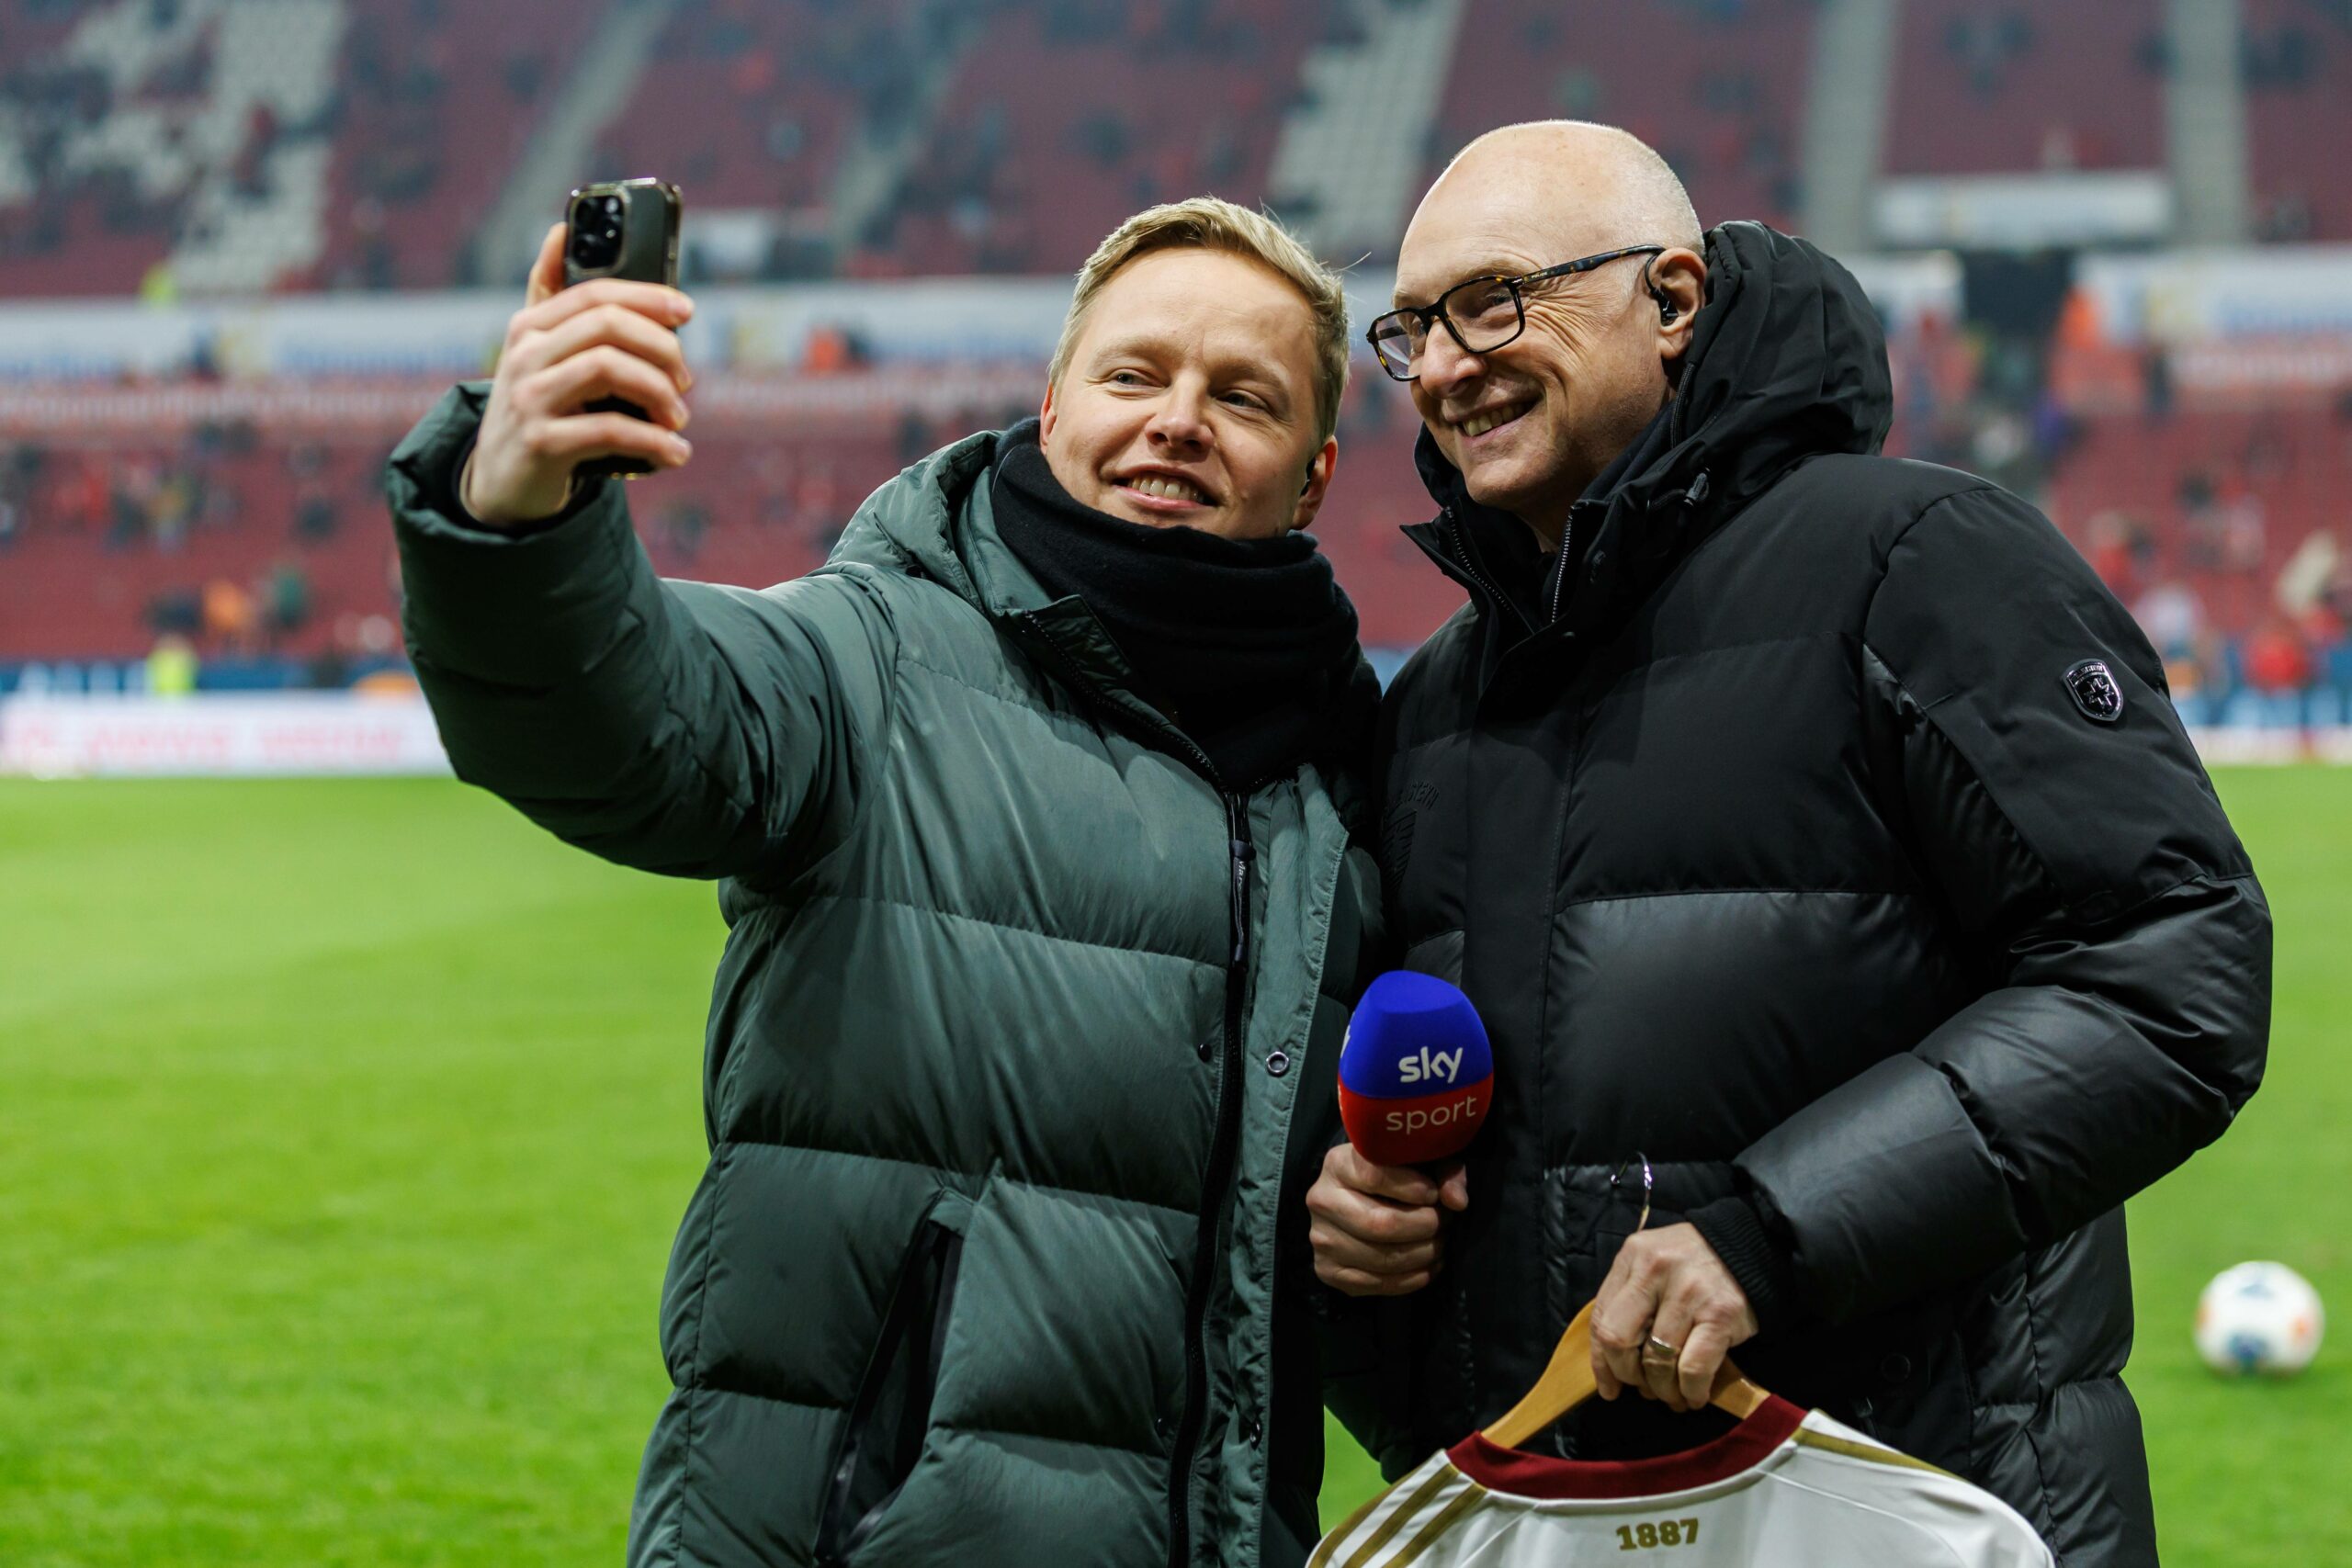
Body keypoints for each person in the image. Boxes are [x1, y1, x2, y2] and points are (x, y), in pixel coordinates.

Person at [1305, 121, 2269, 1568]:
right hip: (1565, 1527)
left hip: (1921, 1505)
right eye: (1414, 328)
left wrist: (1773, 1233)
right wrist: (1366, 1233)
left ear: (1672, 301)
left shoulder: (1919, 561)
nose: (1443, 367)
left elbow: (2171, 972)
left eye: (1496, 301)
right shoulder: (1437, 699)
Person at [384, 197, 1383, 1567]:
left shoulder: (1345, 780)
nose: (1177, 419)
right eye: (1135, 375)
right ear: (1052, 407)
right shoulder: (869, 659)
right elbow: (623, 717)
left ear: (1315, 472)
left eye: (1243, 395)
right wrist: (518, 507)